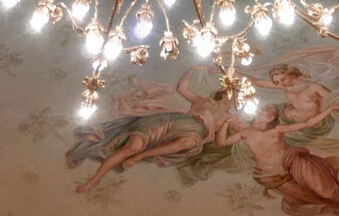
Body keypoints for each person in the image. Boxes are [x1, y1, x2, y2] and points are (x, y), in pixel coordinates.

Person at [68, 66, 238, 193]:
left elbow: (221, 142)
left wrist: (232, 130)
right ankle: (94, 179)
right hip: (169, 123)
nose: (236, 100)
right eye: (234, 95)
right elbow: (182, 89)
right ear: (225, 94)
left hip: (192, 134)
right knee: (131, 148)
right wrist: (193, 69)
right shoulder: (203, 102)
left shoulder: (226, 119)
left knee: (190, 143)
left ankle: (142, 156)